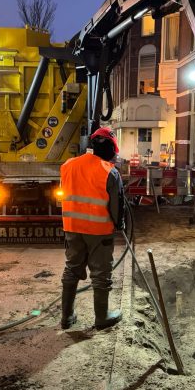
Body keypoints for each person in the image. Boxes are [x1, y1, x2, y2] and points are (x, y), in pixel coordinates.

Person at [59, 127, 125, 330]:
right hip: (99, 232)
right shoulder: (109, 172)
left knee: (72, 269)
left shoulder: (68, 165)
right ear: (112, 149)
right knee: (101, 275)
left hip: (72, 228)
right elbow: (117, 206)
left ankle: (67, 317)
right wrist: (119, 223)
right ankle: (102, 317)